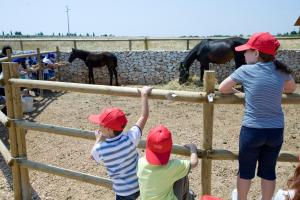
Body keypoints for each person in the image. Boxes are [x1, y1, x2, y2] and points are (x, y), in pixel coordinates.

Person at [218, 32, 297, 200]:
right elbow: (291, 88)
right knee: (268, 171)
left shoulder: (245, 70)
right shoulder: (281, 70)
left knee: (245, 170)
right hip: (275, 131)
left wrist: (240, 93)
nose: (243, 53)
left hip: (252, 130)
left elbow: (222, 88)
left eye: (247, 51)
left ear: (256, 53)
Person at [89, 86, 152, 200]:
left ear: (108, 129)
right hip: (139, 184)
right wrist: (144, 94)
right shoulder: (131, 138)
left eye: (100, 125)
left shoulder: (101, 148)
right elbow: (144, 116)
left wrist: (98, 139)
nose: (98, 126)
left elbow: (92, 156)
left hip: (123, 192)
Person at [137, 125, 198, 200]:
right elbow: (194, 162)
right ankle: (189, 197)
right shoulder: (172, 166)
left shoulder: (141, 162)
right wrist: (193, 149)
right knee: (182, 173)